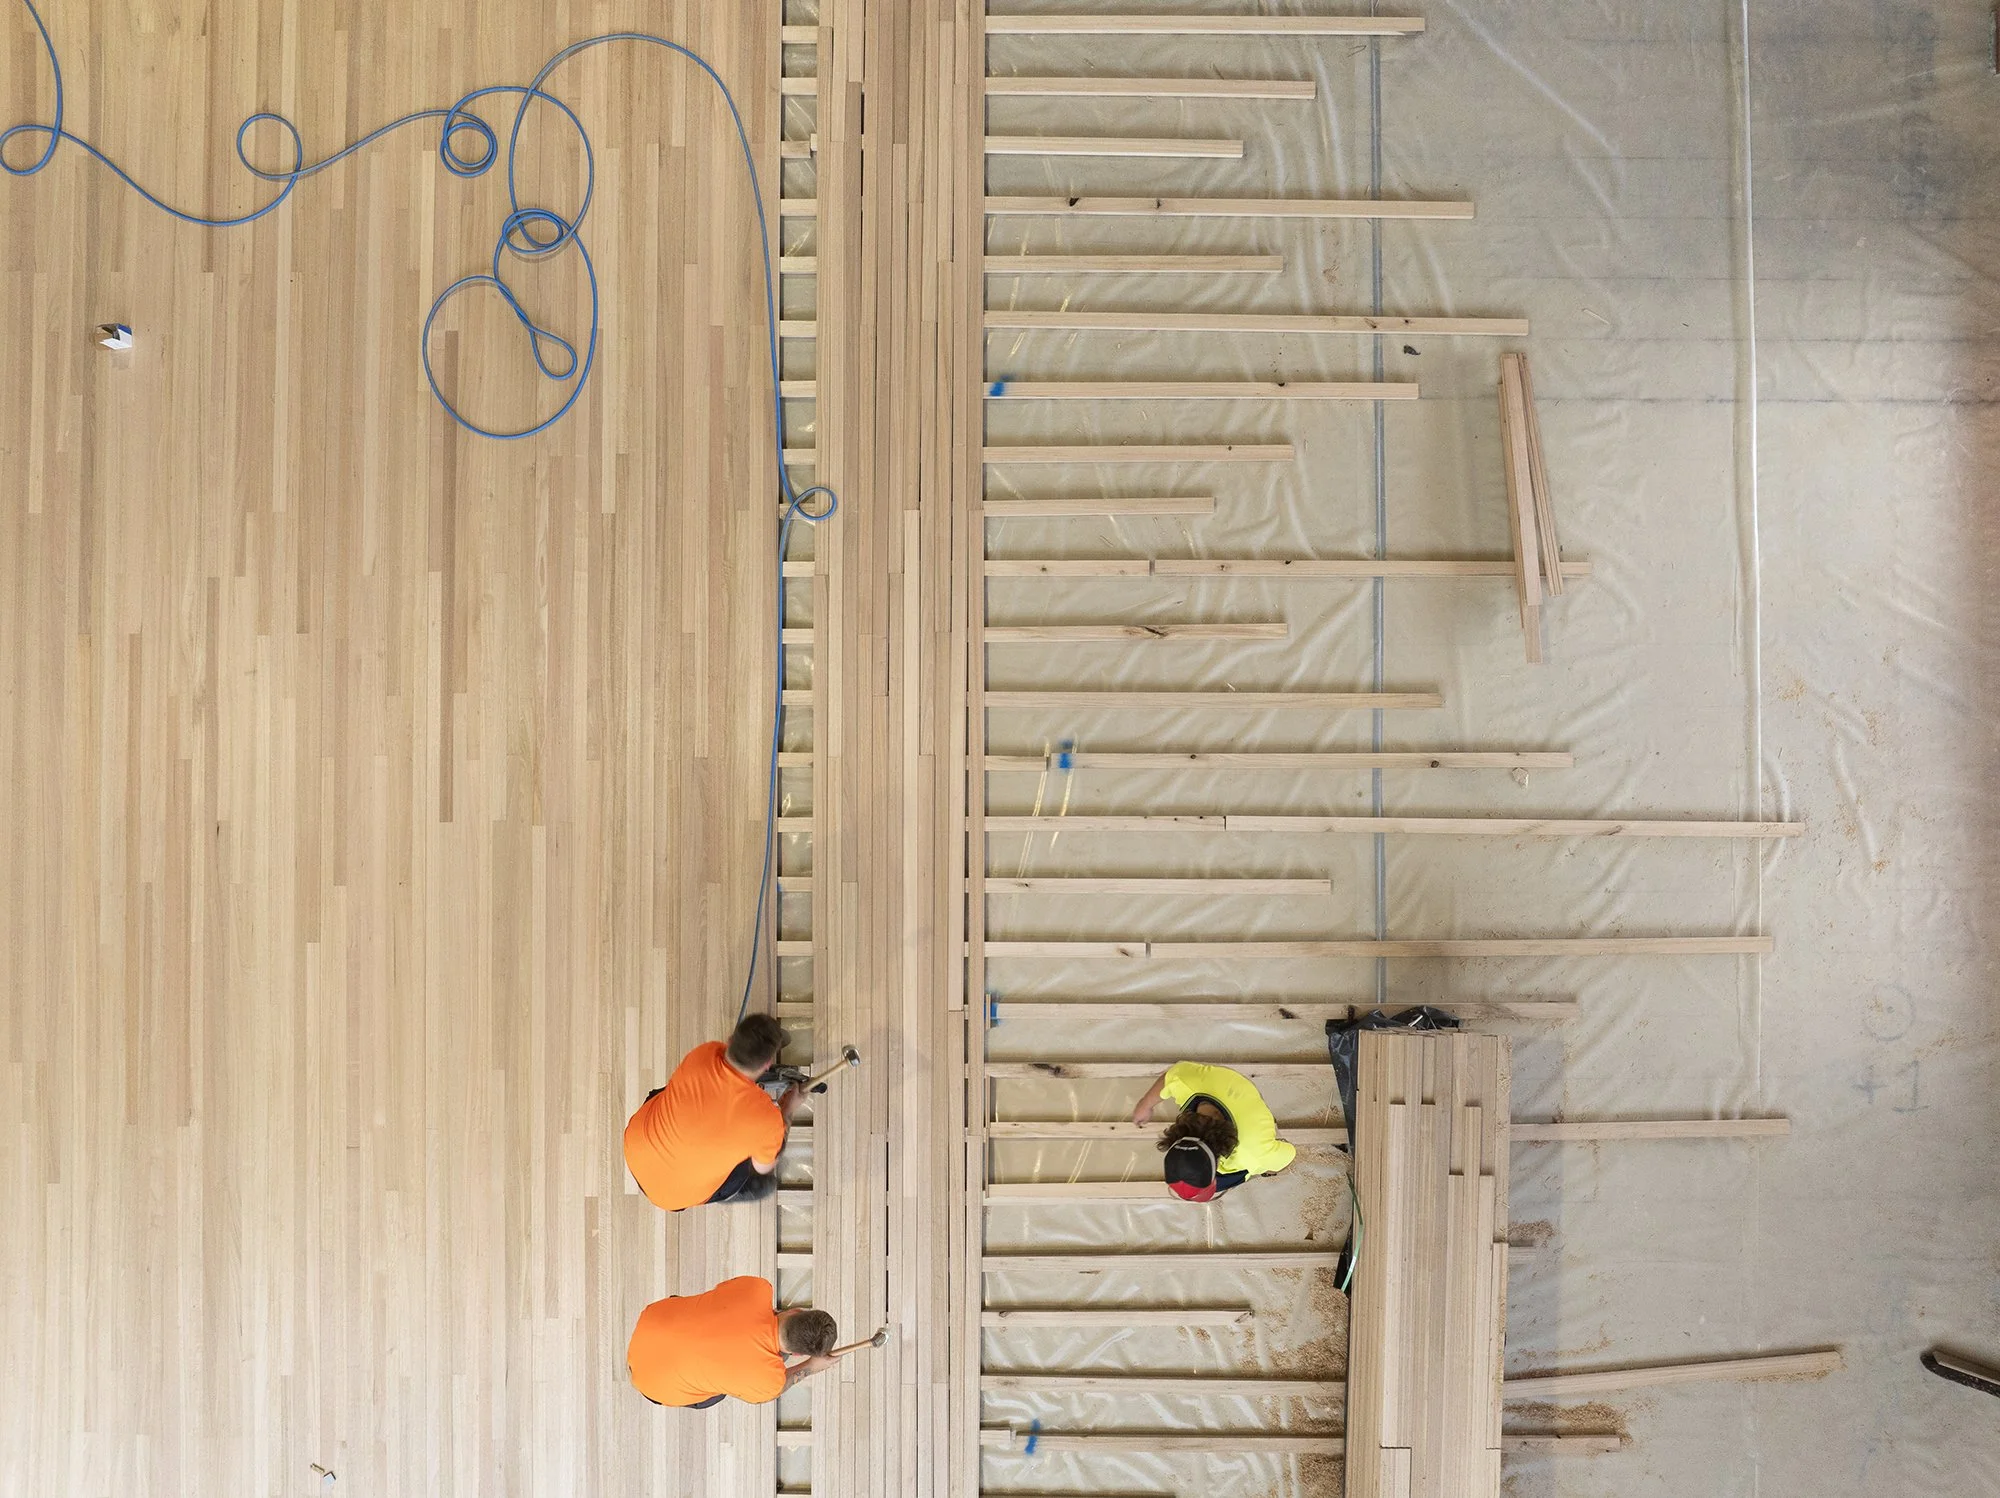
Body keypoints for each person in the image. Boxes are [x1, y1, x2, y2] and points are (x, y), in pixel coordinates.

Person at [624, 1013, 805, 1210]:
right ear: (767, 1064)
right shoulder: (767, 1119)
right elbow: (764, 1167)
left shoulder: (703, 1053)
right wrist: (787, 1111)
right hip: (669, 1196)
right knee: (764, 1183)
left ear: (729, 1040)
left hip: (636, 1147)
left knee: (675, 1093)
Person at [628, 1275, 841, 1408]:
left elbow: (725, 1289)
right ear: (797, 1354)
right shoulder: (768, 1384)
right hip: (652, 1385)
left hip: (651, 1321)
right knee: (717, 1395)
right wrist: (811, 1367)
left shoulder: (757, 1288)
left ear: (796, 1310)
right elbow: (775, 1389)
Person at [1130, 1060, 1298, 1202]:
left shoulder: (1254, 1152)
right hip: (1227, 1084)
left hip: (1252, 1115)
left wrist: (1267, 1167)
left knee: (1260, 1168)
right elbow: (1172, 1075)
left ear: (1219, 1163)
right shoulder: (1189, 1083)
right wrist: (1145, 1104)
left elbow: (1288, 1154)